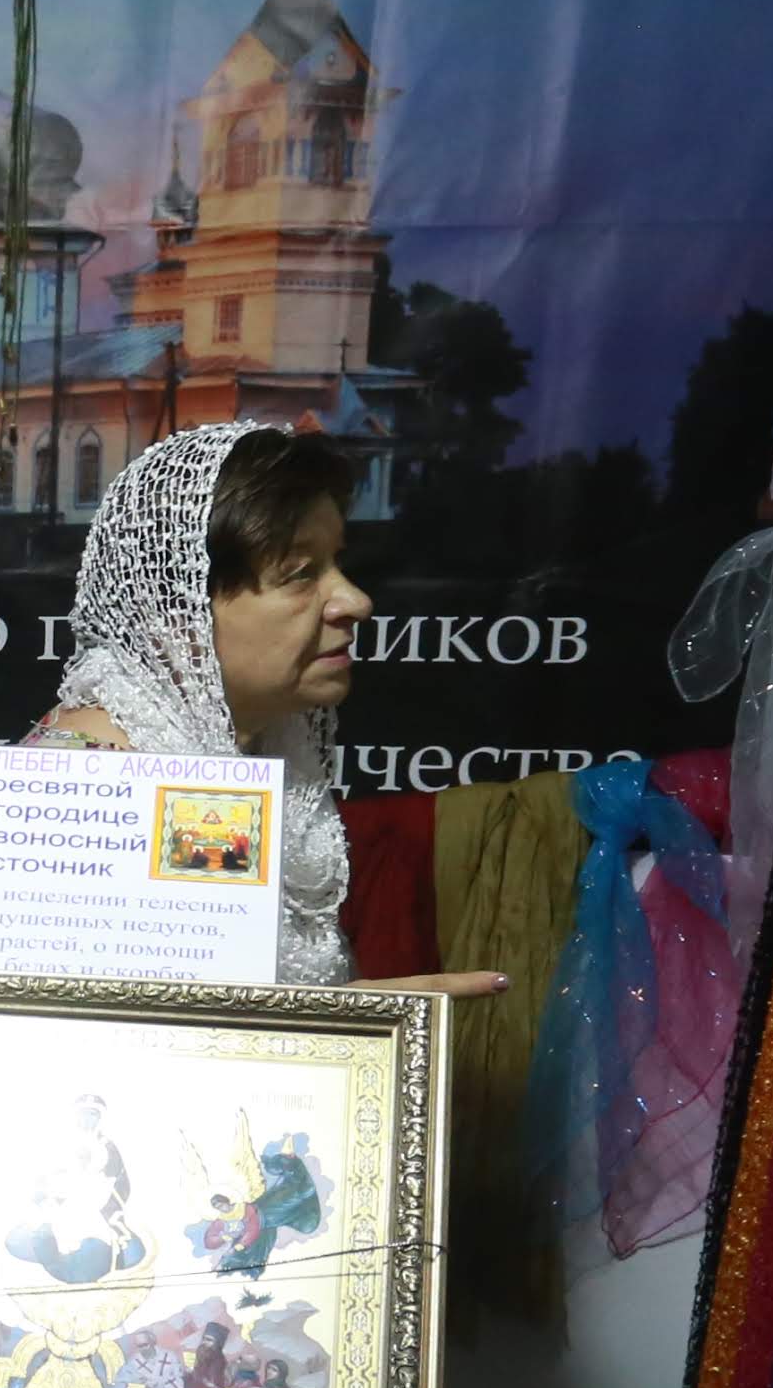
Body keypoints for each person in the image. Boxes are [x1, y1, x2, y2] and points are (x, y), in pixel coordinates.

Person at [26, 419, 503, 996]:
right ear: (177, 615)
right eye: (300, 574)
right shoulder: (80, 793)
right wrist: (342, 1020)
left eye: (335, 564)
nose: (355, 601)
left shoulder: (250, 749)